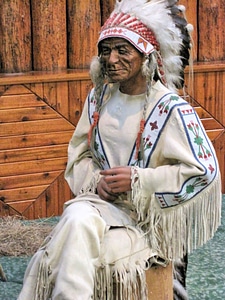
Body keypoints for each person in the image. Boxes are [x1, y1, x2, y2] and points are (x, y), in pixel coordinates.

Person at [18, 0, 222, 299]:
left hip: (147, 221)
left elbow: (204, 172)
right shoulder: (99, 99)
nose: (111, 59)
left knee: (66, 238)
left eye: (122, 50)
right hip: (99, 205)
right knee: (76, 223)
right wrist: (97, 182)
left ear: (146, 55)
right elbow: (79, 155)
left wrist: (139, 180)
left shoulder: (170, 109)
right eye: (105, 50)